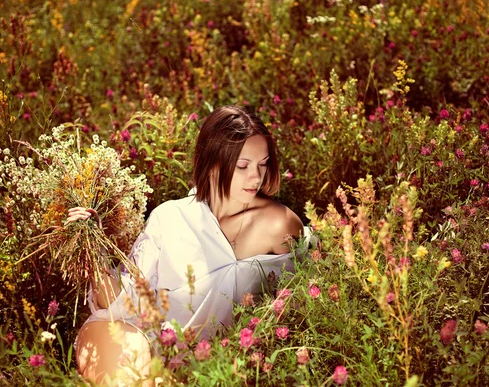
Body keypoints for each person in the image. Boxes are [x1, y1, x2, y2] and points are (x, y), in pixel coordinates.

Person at [68, 105, 310, 384]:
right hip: (138, 338)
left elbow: (303, 298)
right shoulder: (170, 216)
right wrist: (93, 245)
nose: (256, 177)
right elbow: (118, 305)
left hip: (208, 362)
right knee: (119, 363)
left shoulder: (277, 224)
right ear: (212, 163)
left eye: (263, 164)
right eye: (243, 166)